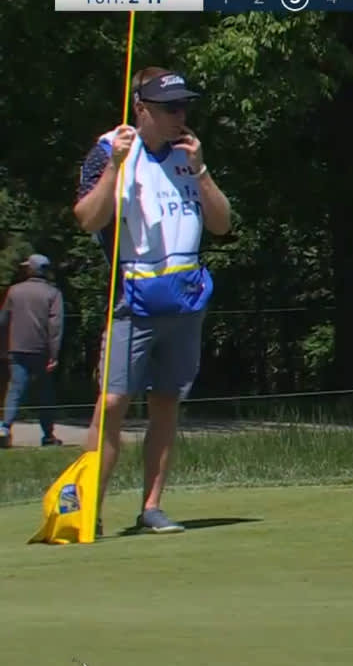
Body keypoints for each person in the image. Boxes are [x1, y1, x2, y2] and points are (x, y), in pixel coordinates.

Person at [73, 66, 232, 534]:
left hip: (184, 301)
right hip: (133, 298)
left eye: (184, 106)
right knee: (114, 401)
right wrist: (116, 167)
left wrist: (201, 169)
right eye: (171, 108)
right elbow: (87, 218)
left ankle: (151, 507)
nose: (181, 116)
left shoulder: (189, 154)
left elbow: (222, 224)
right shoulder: (111, 149)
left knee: (166, 402)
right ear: (142, 109)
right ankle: (89, 509)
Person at [0, 253, 66, 448]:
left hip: (17, 348)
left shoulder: (14, 291)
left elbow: (3, 321)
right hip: (41, 350)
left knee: (15, 389)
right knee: (44, 393)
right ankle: (48, 435)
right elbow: (56, 327)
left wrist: (5, 346)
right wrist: (54, 354)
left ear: (31, 269)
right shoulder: (53, 294)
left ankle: (4, 428)